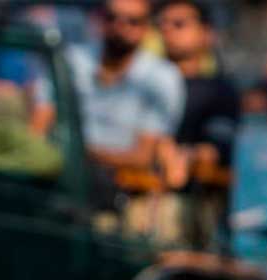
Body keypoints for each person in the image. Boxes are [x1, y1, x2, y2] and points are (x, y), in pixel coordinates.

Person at [156, 0, 241, 248]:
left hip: (192, 203)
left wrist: (185, 157)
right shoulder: (146, 84)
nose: (168, 31)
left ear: (206, 33)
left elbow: (216, 149)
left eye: (179, 24)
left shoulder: (219, 90)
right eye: (163, 24)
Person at [69, 0, 185, 172]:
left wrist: (79, 154)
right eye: (112, 17)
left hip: (120, 186)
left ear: (147, 28)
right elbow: (42, 121)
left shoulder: (162, 77)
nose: (120, 26)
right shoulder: (72, 59)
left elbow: (142, 157)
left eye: (133, 21)